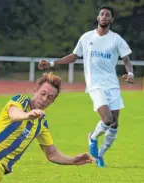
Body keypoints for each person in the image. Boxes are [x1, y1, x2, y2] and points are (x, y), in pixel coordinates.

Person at [38, 5, 134, 167]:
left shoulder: (117, 39)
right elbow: (73, 56)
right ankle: (93, 137)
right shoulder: (86, 37)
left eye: (107, 15)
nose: (104, 16)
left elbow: (127, 61)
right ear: (98, 18)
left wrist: (130, 74)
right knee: (107, 119)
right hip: (95, 84)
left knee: (115, 124)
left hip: (112, 85)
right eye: (101, 14)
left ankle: (100, 156)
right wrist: (52, 63)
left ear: (111, 20)